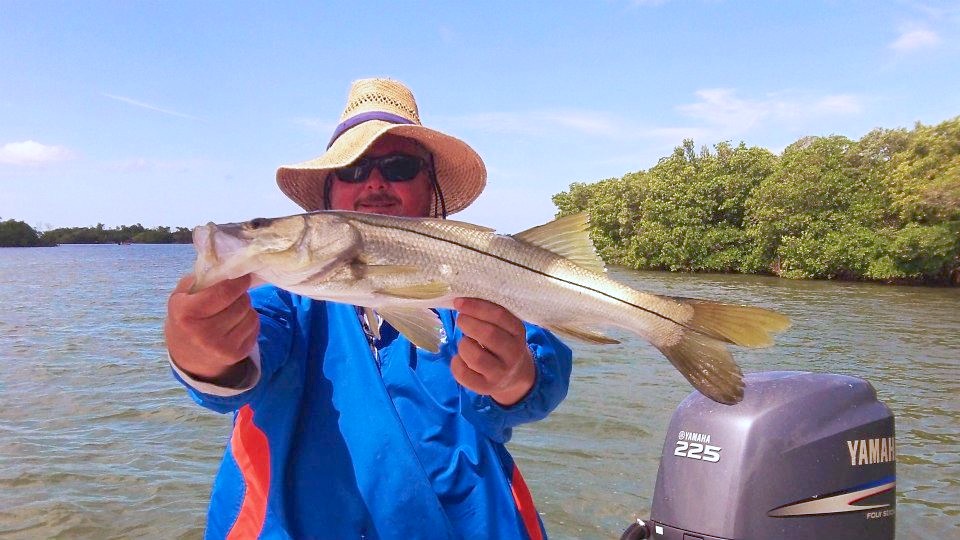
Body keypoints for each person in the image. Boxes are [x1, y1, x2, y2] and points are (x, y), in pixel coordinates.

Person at [164, 78, 573, 539]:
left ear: (430, 186)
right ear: (327, 197)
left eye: (399, 166)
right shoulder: (278, 295)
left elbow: (544, 370)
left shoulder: (477, 278)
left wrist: (516, 378)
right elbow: (240, 363)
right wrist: (203, 356)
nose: (375, 182)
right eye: (353, 170)